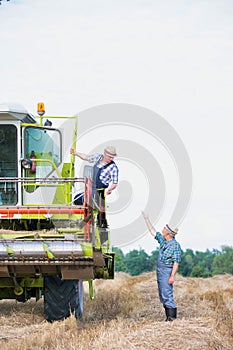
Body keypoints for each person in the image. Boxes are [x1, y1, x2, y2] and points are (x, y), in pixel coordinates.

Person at [142, 211, 181, 321]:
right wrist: (146, 219)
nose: (162, 230)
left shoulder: (175, 246)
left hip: (167, 271)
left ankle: (172, 318)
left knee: (167, 294)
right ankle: (168, 317)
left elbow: (176, 262)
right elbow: (153, 232)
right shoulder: (164, 242)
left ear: (168, 233)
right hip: (160, 271)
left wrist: (172, 276)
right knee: (162, 294)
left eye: (164, 229)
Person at [70, 146, 119, 228]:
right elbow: (86, 157)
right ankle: (81, 224)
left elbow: (115, 182)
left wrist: (110, 189)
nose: (111, 159)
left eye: (112, 157)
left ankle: (99, 226)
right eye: (109, 157)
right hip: (91, 188)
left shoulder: (113, 167)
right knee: (78, 199)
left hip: (100, 191)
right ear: (105, 154)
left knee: (97, 208)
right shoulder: (98, 157)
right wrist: (75, 153)